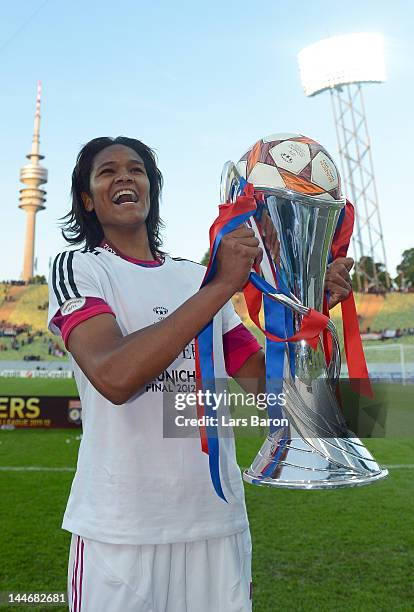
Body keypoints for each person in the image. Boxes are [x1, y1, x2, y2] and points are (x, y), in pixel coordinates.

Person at [47, 136, 353, 612]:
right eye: (107, 172)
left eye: (137, 169)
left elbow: (276, 397)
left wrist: (308, 310)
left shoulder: (195, 277)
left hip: (216, 523)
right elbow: (114, 377)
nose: (124, 177)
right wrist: (220, 286)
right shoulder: (80, 268)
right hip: (121, 528)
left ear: (152, 189)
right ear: (88, 199)